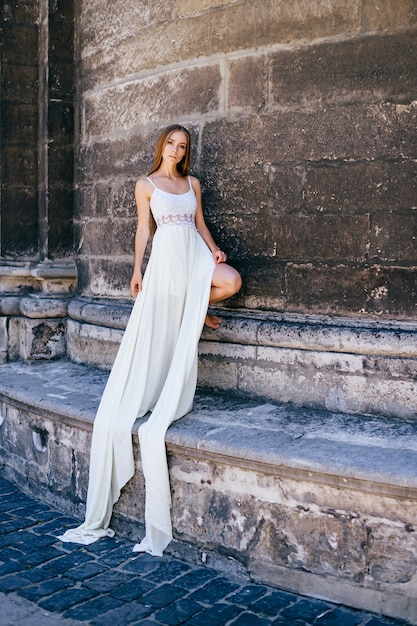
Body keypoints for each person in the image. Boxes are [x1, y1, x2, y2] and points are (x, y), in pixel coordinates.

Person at [58, 124, 242, 556]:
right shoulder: (146, 184)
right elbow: (145, 230)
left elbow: (199, 222)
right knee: (175, 302)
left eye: (183, 146)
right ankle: (196, 312)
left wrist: (214, 250)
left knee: (231, 280)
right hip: (164, 265)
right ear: (162, 146)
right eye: (172, 144)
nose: (177, 151)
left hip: (194, 256)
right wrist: (137, 269)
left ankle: (198, 308)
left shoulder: (192, 182)